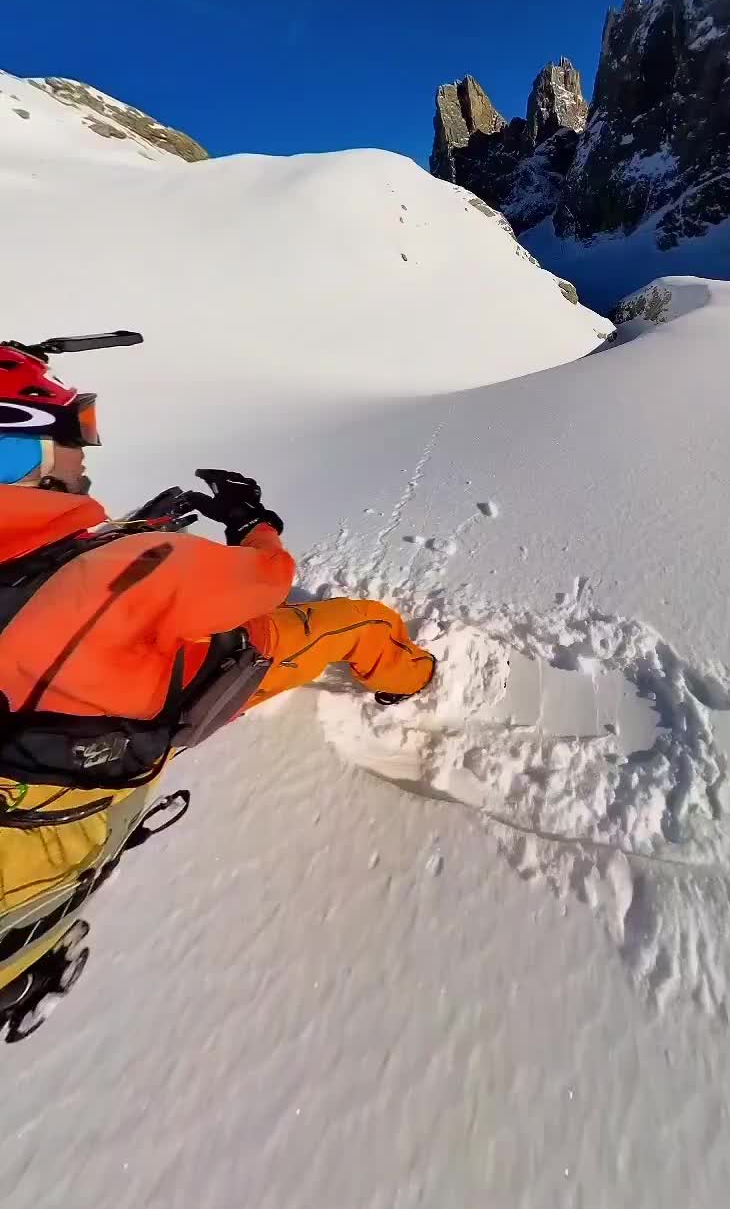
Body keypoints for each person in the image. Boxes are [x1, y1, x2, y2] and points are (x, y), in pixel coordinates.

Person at [0, 339, 435, 1038]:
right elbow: (265, 578)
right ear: (19, 455)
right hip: (125, 743)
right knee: (358, 623)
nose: (85, 451)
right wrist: (252, 523)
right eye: (69, 432)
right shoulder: (147, 567)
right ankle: (410, 678)